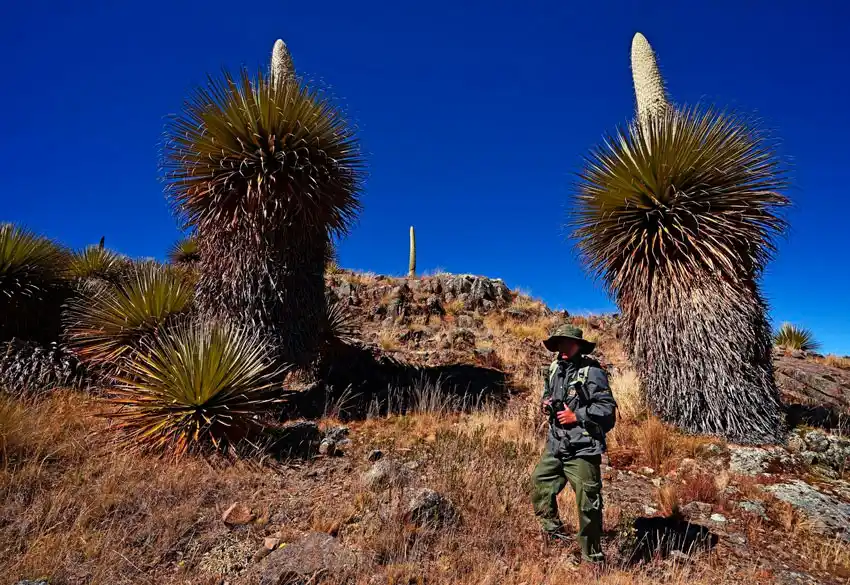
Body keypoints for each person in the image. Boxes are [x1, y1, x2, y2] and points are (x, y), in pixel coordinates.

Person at [530, 324, 617, 564]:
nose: (564, 347)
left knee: (588, 506)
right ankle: (554, 533)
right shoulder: (554, 368)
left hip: (583, 448)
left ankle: (593, 560)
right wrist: (546, 404)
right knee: (540, 484)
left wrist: (576, 416)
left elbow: (607, 409)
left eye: (568, 342)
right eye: (560, 342)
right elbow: (547, 395)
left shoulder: (593, 372)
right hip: (557, 444)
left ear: (579, 345)